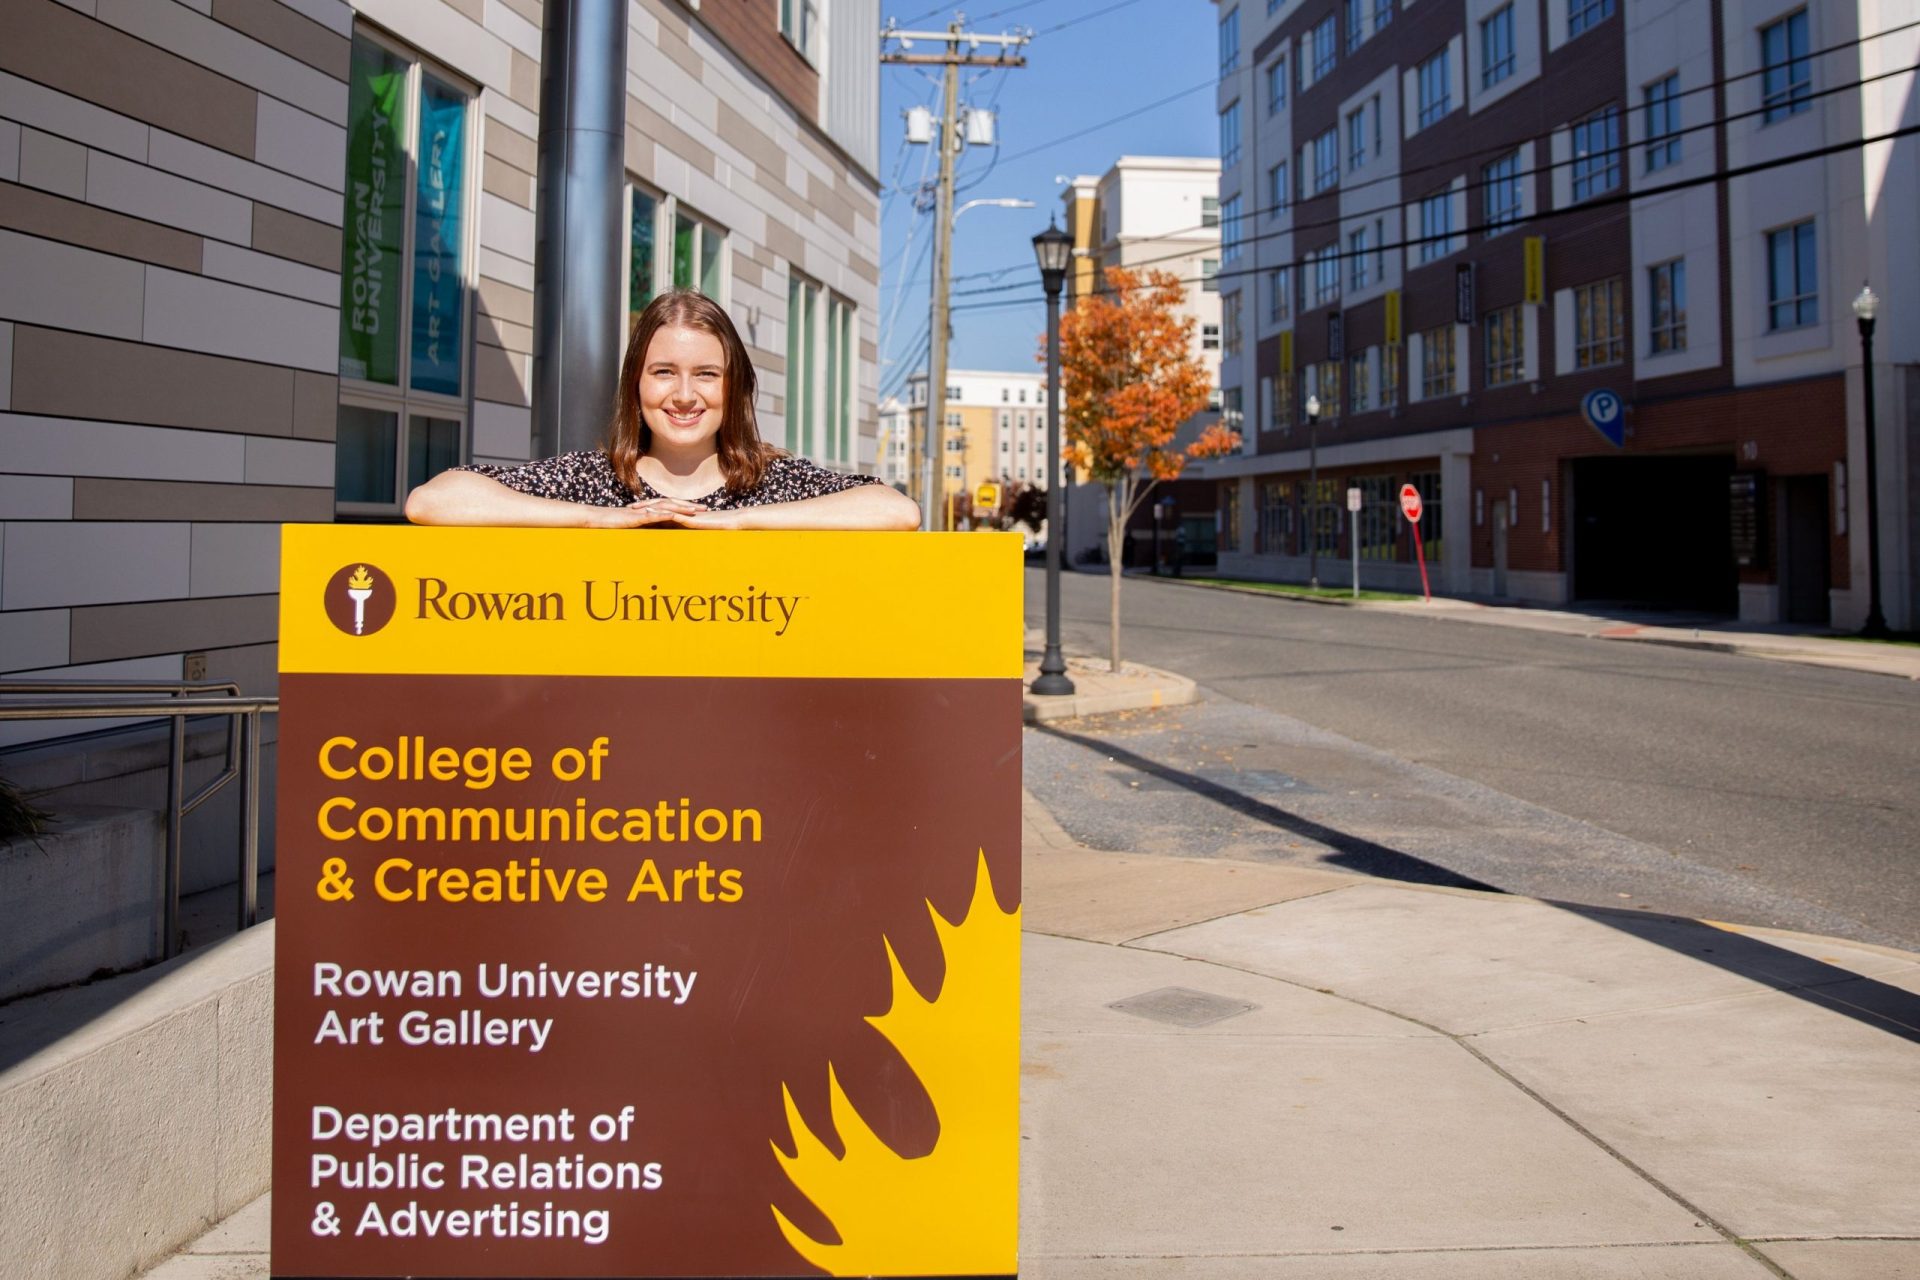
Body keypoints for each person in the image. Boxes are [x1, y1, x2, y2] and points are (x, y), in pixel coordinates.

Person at [405, 289, 921, 531]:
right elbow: (432, 501)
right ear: (635, 383)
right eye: (663, 372)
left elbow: (896, 511)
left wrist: (740, 523)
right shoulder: (595, 482)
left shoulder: (769, 483)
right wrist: (593, 520)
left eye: (705, 374)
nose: (683, 395)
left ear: (733, 385)